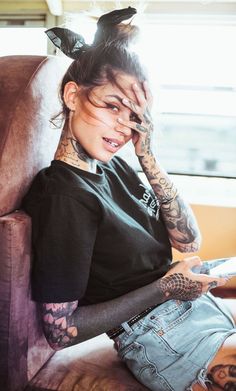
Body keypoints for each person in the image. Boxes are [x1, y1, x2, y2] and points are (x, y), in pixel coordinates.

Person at [22, 7, 236, 391]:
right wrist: (165, 289)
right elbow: (61, 331)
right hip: (163, 335)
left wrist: (148, 156)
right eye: (112, 106)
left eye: (135, 113)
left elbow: (188, 243)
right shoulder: (65, 195)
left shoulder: (113, 167)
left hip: (196, 307)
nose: (124, 126)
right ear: (73, 96)